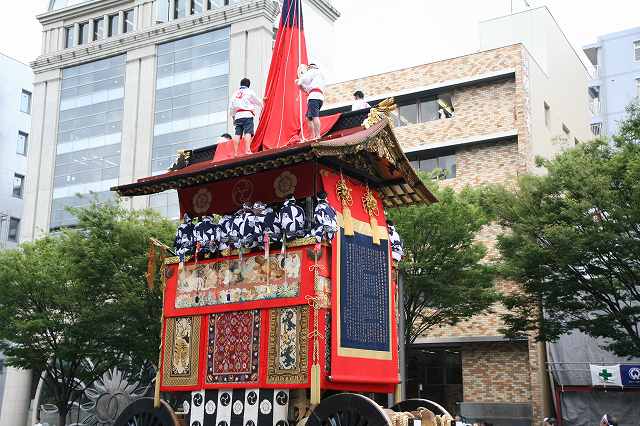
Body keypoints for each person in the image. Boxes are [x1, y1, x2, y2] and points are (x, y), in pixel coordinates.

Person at [229, 78, 263, 157]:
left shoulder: (235, 94)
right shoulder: (249, 92)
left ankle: (235, 153)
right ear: (248, 85)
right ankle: (247, 150)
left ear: (241, 84)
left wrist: (233, 117)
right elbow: (257, 101)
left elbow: (231, 107)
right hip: (247, 114)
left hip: (238, 115)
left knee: (237, 134)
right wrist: (263, 103)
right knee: (247, 132)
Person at [296, 63, 325, 140]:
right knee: (309, 118)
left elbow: (304, 79)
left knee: (314, 116)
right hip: (319, 97)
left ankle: (317, 136)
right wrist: (300, 85)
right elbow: (307, 88)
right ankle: (313, 136)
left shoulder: (313, 71)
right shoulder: (320, 76)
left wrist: (299, 81)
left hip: (314, 96)